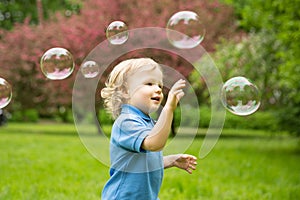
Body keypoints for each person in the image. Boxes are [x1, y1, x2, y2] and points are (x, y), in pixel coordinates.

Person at [101, 58, 197, 200]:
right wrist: (168, 109)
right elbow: (154, 145)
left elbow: (145, 162)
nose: (158, 89)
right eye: (149, 83)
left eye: (160, 85)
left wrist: (172, 160)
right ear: (125, 91)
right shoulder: (126, 121)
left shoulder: (148, 123)